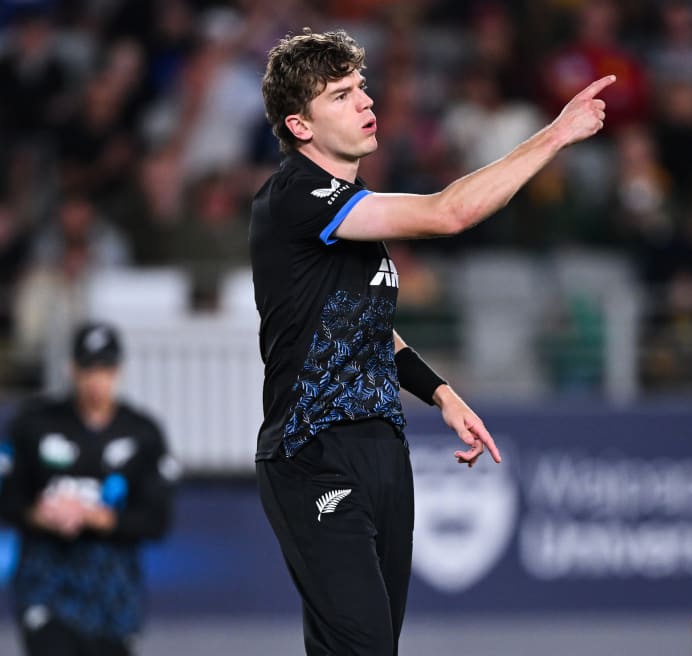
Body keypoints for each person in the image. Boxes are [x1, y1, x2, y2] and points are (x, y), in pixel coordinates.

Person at [252, 28, 612, 656]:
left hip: (381, 449)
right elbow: (449, 213)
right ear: (299, 125)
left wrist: (441, 394)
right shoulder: (296, 196)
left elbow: (361, 325)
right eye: (340, 95)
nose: (365, 101)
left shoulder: (351, 213)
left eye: (361, 87)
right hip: (313, 452)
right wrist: (554, 135)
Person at [0, 321, 178, 656]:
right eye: (88, 369)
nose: (97, 380)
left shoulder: (143, 433)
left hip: (113, 592)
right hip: (47, 580)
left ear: (119, 370)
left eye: (106, 369)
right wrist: (43, 514)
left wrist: (96, 517)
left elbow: (157, 520)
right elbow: (8, 500)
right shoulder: (34, 425)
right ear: (72, 369)